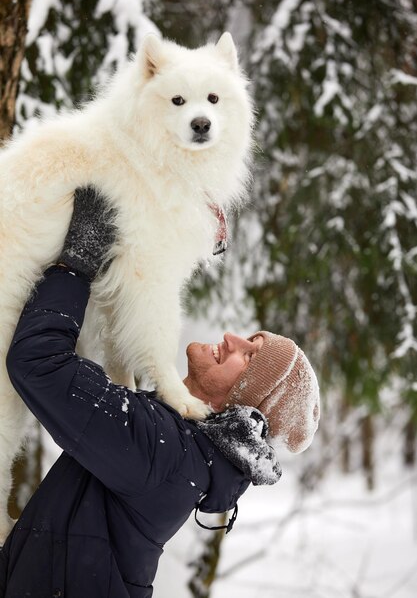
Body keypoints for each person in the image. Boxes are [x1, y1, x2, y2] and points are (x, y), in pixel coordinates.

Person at [0, 188, 320, 598]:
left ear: (244, 402)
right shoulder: (182, 452)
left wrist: (76, 262)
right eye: (249, 337)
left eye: (249, 356)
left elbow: (39, 365)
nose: (231, 338)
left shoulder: (165, 454)